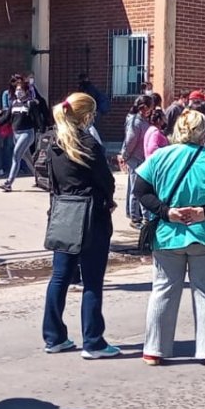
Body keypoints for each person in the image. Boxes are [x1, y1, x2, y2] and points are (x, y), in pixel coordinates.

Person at [134, 109, 205, 367]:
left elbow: (140, 190)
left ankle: (154, 349)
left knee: (163, 291)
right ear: (203, 131)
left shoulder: (159, 157)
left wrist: (165, 212)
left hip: (167, 234)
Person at [41, 93, 121, 359]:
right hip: (91, 214)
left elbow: (51, 182)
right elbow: (105, 180)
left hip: (63, 210)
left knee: (60, 277)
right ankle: (93, 341)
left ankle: (54, 337)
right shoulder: (89, 143)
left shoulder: (54, 144)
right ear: (86, 115)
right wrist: (109, 200)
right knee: (92, 281)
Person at [0, 83, 42, 192]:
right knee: (27, 158)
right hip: (16, 133)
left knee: (16, 156)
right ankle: (40, 179)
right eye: (17, 90)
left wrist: (41, 130)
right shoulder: (14, 103)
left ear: (26, 91)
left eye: (21, 90)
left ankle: (8, 183)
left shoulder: (30, 103)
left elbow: (37, 119)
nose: (18, 92)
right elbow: (7, 117)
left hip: (27, 133)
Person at [120, 96, 150, 228]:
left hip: (141, 159)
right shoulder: (135, 122)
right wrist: (125, 156)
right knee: (135, 189)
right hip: (135, 159)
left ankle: (139, 215)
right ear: (144, 108)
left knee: (138, 188)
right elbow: (130, 141)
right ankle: (134, 217)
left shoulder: (142, 121)